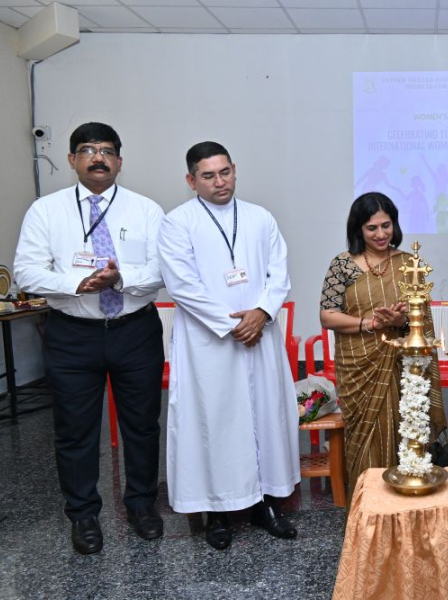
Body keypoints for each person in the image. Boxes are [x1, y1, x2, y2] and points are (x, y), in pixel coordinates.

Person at [14, 122, 166, 555]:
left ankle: (141, 505)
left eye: (106, 151)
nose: (98, 158)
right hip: (72, 334)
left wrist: (121, 279)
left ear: (119, 160)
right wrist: (76, 283)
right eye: (87, 150)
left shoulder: (146, 210)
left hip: (135, 331)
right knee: (74, 429)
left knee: (142, 425)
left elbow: (163, 269)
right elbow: (26, 271)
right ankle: (83, 515)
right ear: (71, 160)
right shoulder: (46, 210)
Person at [158, 142, 301, 550]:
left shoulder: (260, 217)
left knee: (265, 416)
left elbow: (279, 273)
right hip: (209, 341)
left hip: (261, 334)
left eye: (225, 172)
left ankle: (266, 503)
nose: (219, 182)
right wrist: (232, 324)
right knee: (215, 420)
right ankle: (217, 511)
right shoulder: (177, 223)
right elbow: (182, 285)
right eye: (208, 176)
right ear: (191, 180)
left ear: (235, 170)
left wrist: (262, 312)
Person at [319, 192, 447, 501]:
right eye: (371, 228)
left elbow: (423, 322)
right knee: (363, 437)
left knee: (406, 427)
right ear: (358, 229)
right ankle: (367, 506)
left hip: (402, 366)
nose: (380, 234)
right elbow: (327, 315)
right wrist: (371, 323)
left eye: (386, 225)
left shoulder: (409, 265)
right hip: (359, 366)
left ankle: (406, 500)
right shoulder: (343, 265)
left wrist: (402, 320)